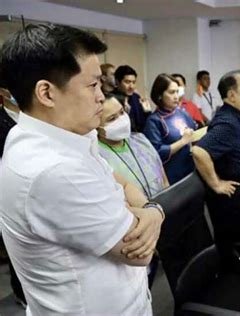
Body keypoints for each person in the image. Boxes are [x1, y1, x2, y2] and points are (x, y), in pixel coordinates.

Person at [0, 24, 164, 315]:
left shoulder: (65, 135)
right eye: (92, 85)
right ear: (47, 94)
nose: (102, 96)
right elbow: (139, 252)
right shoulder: (51, 169)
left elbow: (122, 183)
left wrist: (146, 208)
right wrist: (155, 211)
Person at [192, 70, 240, 273]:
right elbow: (199, 152)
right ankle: (233, 291)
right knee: (233, 251)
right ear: (231, 94)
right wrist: (216, 184)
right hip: (235, 201)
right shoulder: (227, 122)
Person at [97, 93, 169, 199]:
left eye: (122, 112)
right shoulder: (98, 157)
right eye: (112, 118)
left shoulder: (140, 140)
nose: (121, 119)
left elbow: (163, 178)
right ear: (97, 127)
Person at [0, 78, 27, 308]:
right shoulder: (2, 120)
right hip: (10, 186)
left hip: (36, 185)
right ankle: (20, 292)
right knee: (17, 245)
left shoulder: (31, 113)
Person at [143, 74, 196, 185]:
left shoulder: (182, 113)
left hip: (191, 171)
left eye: (177, 92)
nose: (176, 96)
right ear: (160, 95)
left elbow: (195, 132)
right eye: (171, 92)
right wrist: (182, 141)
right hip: (172, 177)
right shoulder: (154, 121)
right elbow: (157, 153)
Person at [114, 65, 151, 132]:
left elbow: (143, 125)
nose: (131, 86)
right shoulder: (111, 100)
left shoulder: (136, 97)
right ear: (117, 82)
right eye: (127, 82)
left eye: (133, 82)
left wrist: (147, 112)